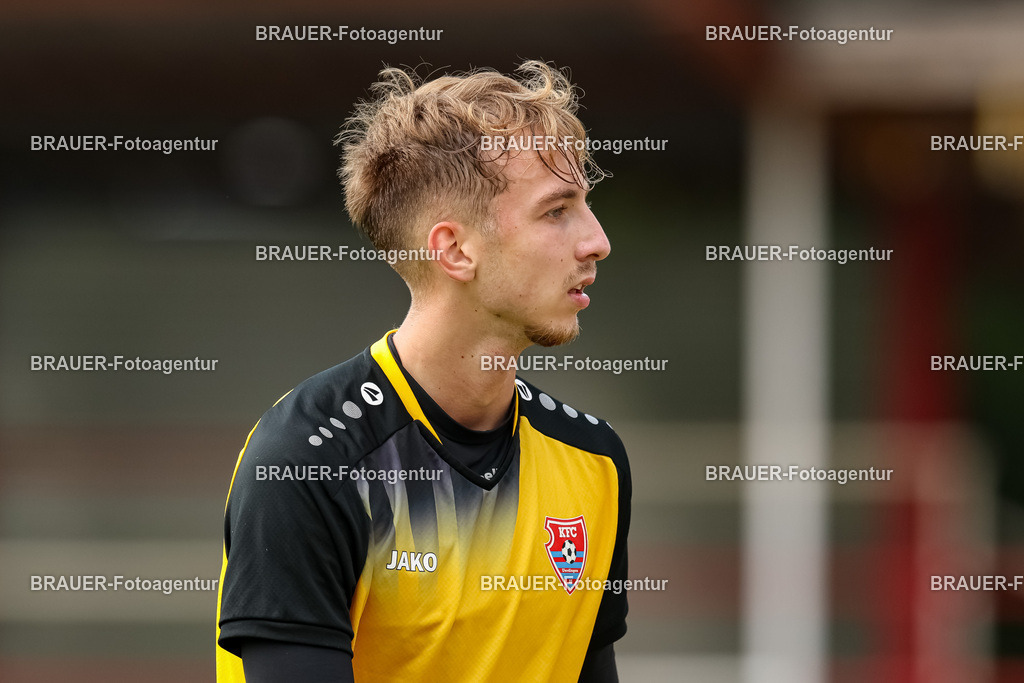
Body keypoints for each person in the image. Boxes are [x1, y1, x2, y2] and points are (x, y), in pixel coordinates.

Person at [215, 60, 631, 682]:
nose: (596, 241)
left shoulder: (594, 459)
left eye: (585, 206)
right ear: (455, 250)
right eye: (556, 211)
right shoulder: (307, 459)